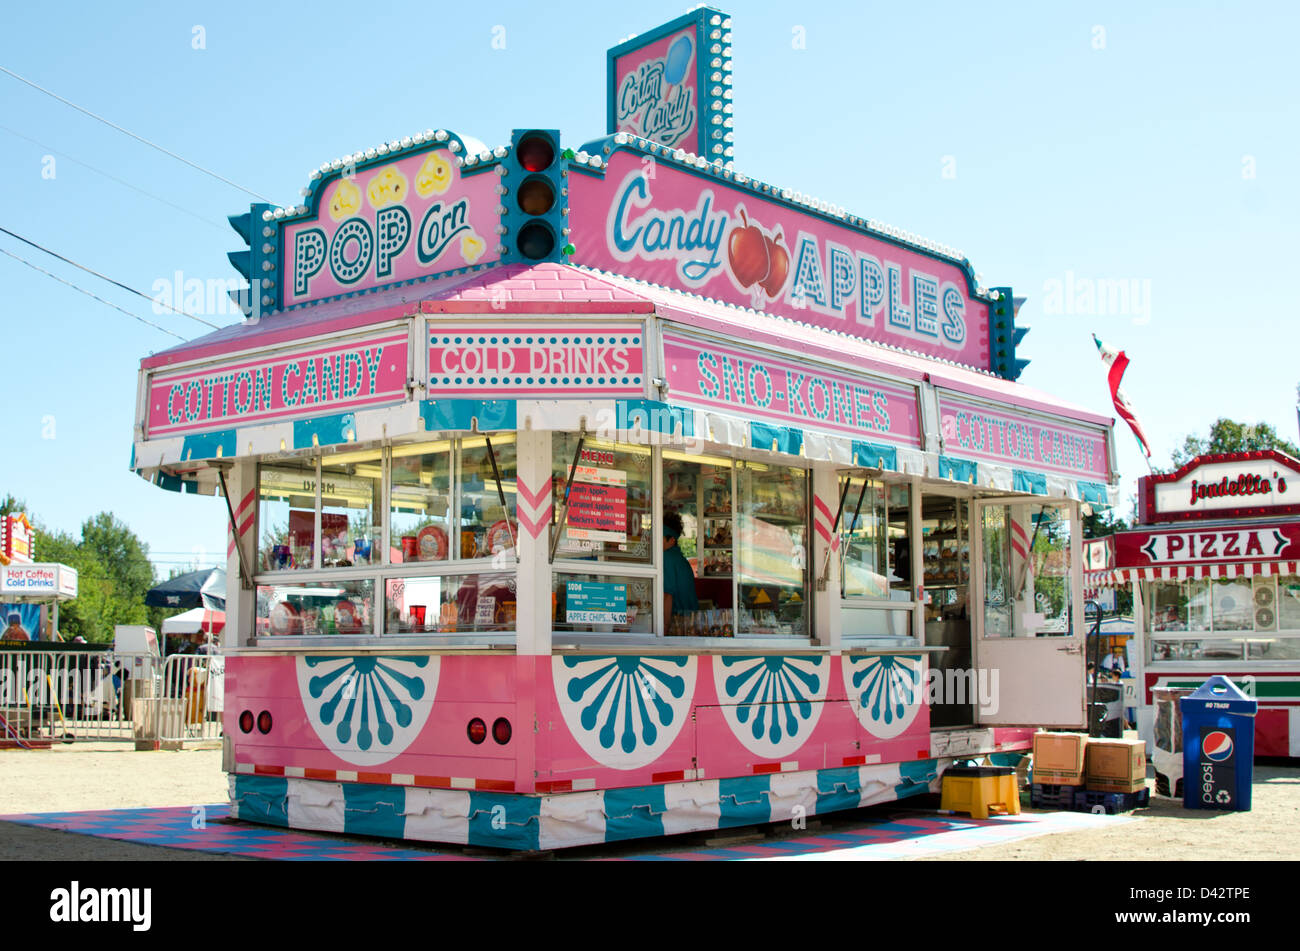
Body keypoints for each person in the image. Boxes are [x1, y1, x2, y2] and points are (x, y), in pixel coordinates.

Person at [662, 512, 699, 623]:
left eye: (660, 537)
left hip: (677, 622)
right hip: (690, 620)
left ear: (672, 540)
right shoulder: (680, 559)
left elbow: (667, 597)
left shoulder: (667, 557)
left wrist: (663, 630)